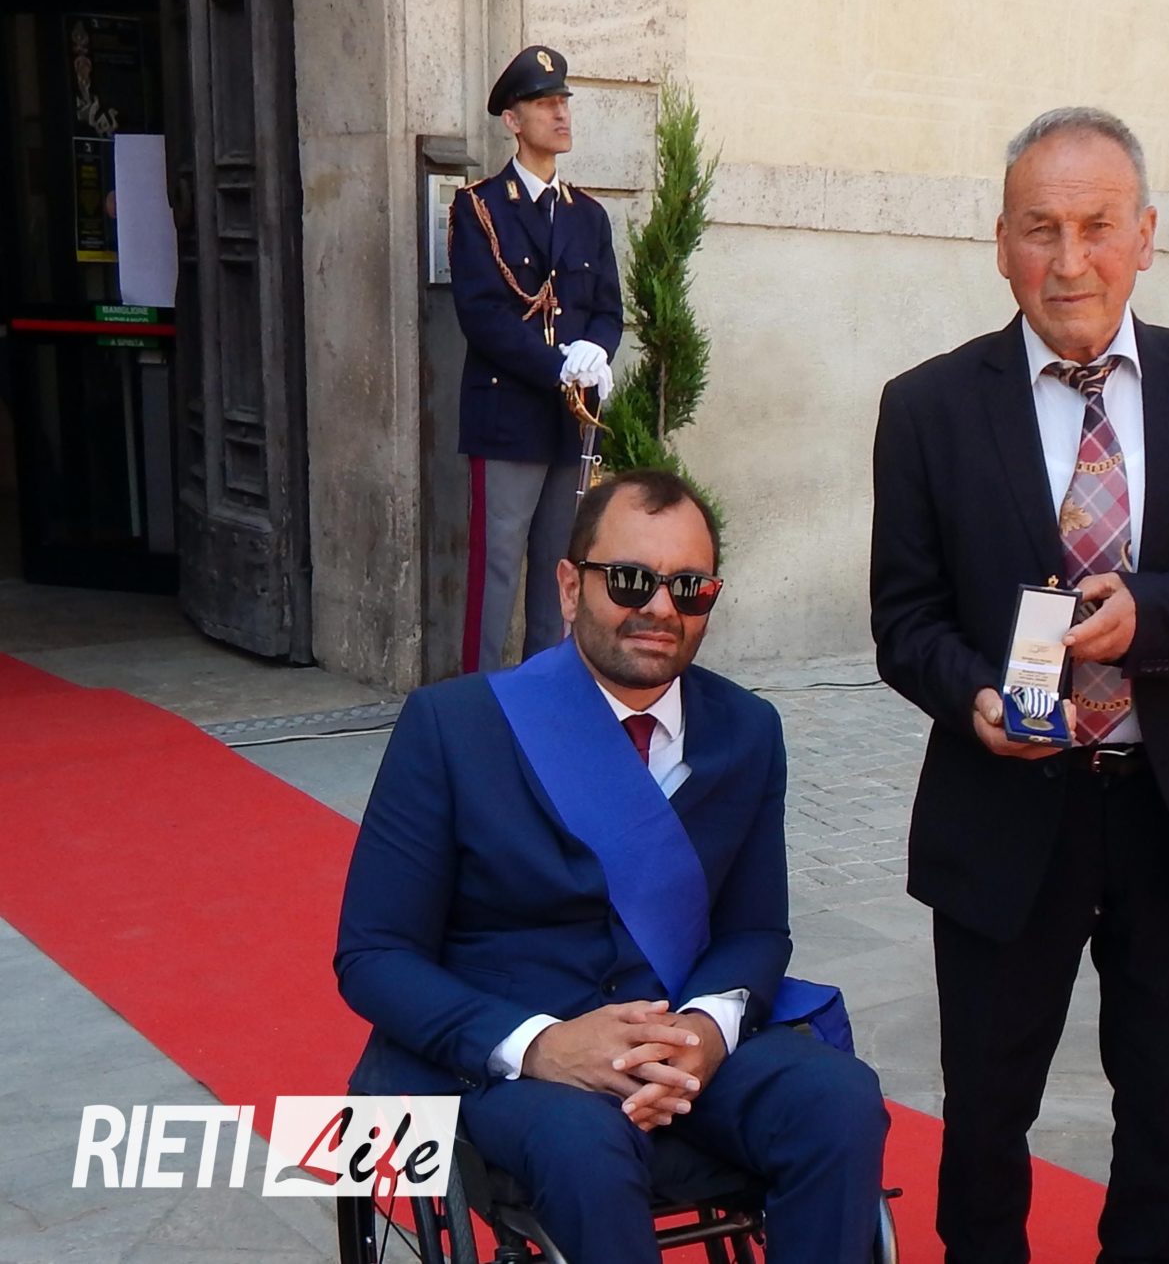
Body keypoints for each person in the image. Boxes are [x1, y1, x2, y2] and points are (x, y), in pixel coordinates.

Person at [870, 107, 1169, 1264]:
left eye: (1095, 226)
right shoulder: (927, 407)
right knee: (985, 1114)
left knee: (1164, 1113)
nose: (1067, 260)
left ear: (1144, 235)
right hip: (1002, 809)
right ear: (1000, 242)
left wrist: (1156, 615)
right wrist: (974, 698)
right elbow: (903, 621)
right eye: (1040, 228)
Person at [336, 469, 887, 1264]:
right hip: (523, 1065)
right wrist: (540, 1045)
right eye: (630, 580)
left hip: (678, 1045)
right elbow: (374, 954)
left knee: (839, 1098)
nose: (660, 607)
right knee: (583, 1147)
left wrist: (705, 1029)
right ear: (570, 587)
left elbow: (757, 930)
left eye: (689, 587)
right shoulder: (452, 728)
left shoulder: (747, 729)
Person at [451, 44, 623, 673]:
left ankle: (545, 690)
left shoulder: (589, 215)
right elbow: (484, 317)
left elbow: (607, 309)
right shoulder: (480, 208)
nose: (561, 114)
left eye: (564, 102)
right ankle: (479, 694)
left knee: (560, 570)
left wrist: (596, 351)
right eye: (546, 104)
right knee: (495, 569)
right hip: (506, 417)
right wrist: (558, 366)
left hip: (569, 424)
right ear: (513, 120)